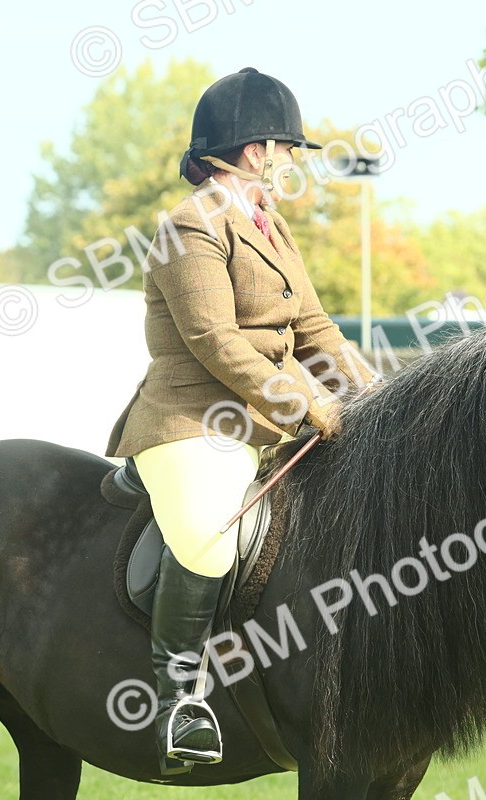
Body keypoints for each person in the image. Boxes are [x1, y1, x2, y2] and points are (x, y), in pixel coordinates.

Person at [104, 67, 378, 770]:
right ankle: (179, 704)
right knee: (210, 539)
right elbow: (214, 340)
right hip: (193, 422)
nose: (291, 164)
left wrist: (378, 397)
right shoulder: (186, 226)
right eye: (287, 150)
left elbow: (317, 329)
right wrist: (306, 404)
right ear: (256, 150)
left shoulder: (271, 226)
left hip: (269, 420)